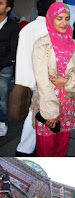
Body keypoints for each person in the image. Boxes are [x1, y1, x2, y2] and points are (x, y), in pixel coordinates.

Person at [32, 2, 75, 157]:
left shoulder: (74, 45)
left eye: (67, 19)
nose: (64, 23)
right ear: (51, 19)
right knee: (46, 149)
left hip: (68, 103)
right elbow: (42, 81)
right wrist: (50, 113)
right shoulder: (42, 45)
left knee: (62, 149)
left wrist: (66, 81)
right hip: (47, 103)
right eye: (59, 18)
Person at [15, 0, 54, 157]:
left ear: (37, 10)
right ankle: (27, 147)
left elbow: (21, 55)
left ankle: (28, 146)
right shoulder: (52, 30)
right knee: (37, 112)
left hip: (29, 77)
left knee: (35, 110)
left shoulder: (27, 29)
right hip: (46, 79)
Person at [0, 0, 19, 137]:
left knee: (2, 98)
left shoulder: (13, 26)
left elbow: (13, 51)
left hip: (4, 68)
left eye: (0, 3)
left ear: (8, 8)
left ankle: (3, 122)